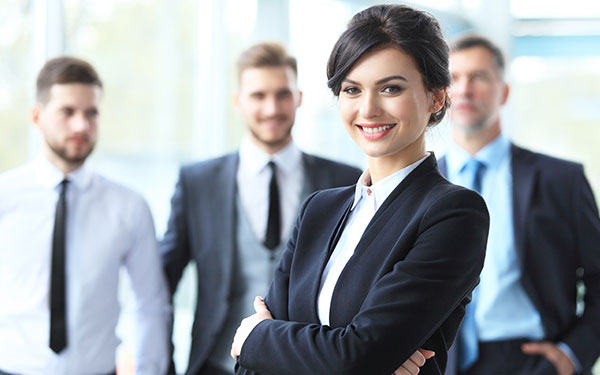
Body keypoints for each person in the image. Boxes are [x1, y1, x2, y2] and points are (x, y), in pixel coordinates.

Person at [230, 5, 490, 375]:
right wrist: (346, 356)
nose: (368, 109)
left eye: (390, 88)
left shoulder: (453, 213)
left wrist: (259, 338)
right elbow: (250, 369)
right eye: (352, 89)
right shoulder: (319, 210)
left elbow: (357, 357)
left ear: (436, 97)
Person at [161, 42, 362, 375]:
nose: (272, 108)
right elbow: (162, 283)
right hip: (216, 364)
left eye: (282, 94)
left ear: (298, 98)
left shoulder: (344, 181)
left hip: (312, 364)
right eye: (258, 96)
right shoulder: (197, 182)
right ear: (238, 102)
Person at [439, 34, 600, 375]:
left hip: (532, 360)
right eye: (454, 78)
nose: (465, 90)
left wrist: (572, 355)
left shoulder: (561, 180)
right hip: (440, 361)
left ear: (504, 91)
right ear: (439, 94)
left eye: (479, 77)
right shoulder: (417, 185)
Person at [0, 57, 170, 374]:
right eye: (67, 112)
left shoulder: (129, 207)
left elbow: (150, 305)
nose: (81, 125)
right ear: (37, 117)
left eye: (91, 113)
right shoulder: (4, 198)